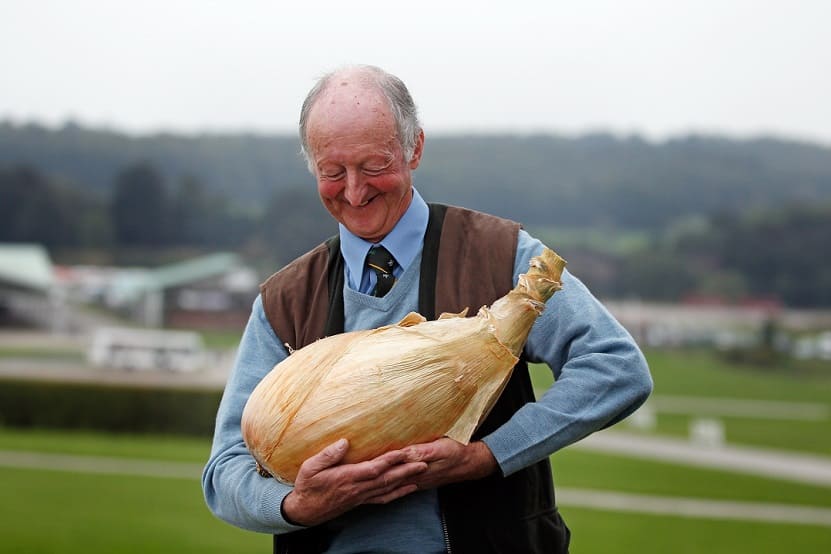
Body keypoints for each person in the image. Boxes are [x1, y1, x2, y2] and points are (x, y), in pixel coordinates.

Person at [202, 64, 653, 554]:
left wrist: (485, 456)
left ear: (415, 147)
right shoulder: (282, 300)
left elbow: (616, 368)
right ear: (312, 165)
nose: (355, 192)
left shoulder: (502, 256)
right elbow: (225, 471)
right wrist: (295, 506)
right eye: (333, 172)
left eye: (373, 166)